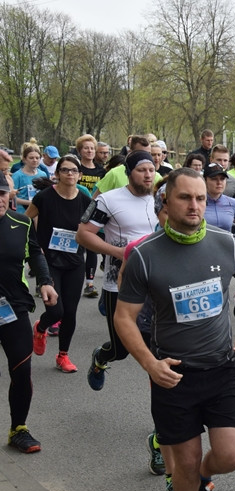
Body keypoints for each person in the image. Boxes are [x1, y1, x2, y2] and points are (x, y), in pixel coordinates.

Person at [114, 168, 235, 491]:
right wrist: (150, 364)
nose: (195, 205)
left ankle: (200, 479)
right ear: (166, 200)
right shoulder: (144, 255)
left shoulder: (225, 243)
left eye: (200, 198)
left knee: (230, 456)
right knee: (185, 459)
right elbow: (123, 318)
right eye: (185, 198)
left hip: (220, 367)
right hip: (173, 374)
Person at [77, 151, 158, 393]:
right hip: (119, 282)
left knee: (159, 349)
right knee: (120, 349)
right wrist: (119, 252)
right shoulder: (108, 200)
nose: (148, 175)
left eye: (151, 170)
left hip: (156, 281)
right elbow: (83, 234)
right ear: (128, 173)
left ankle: (165, 422)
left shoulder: (161, 198)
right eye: (142, 170)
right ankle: (101, 358)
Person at [0, 186, 57, 453]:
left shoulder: (20, 222)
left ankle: (18, 429)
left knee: (21, 369)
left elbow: (35, 252)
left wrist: (45, 281)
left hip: (12, 307)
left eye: (2, 193)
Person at [25, 155, 91, 373]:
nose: (69, 174)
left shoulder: (84, 200)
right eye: (65, 170)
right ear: (57, 173)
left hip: (74, 262)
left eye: (74, 170)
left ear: (80, 175)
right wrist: (34, 249)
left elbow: (93, 228)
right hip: (49, 261)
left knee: (70, 312)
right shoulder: (45, 197)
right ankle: (41, 326)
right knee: (56, 311)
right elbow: (25, 223)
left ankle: (63, 356)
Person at [202, 163, 235, 242]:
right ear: (205, 180)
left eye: (222, 179)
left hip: (227, 249)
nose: (219, 182)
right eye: (214, 179)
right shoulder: (198, 203)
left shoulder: (233, 203)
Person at [11, 143, 48, 213]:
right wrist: (31, 203)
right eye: (31, 158)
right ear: (24, 159)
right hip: (21, 212)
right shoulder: (17, 176)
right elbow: (13, 198)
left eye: (37, 158)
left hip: (38, 211)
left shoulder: (43, 174)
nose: (35, 160)